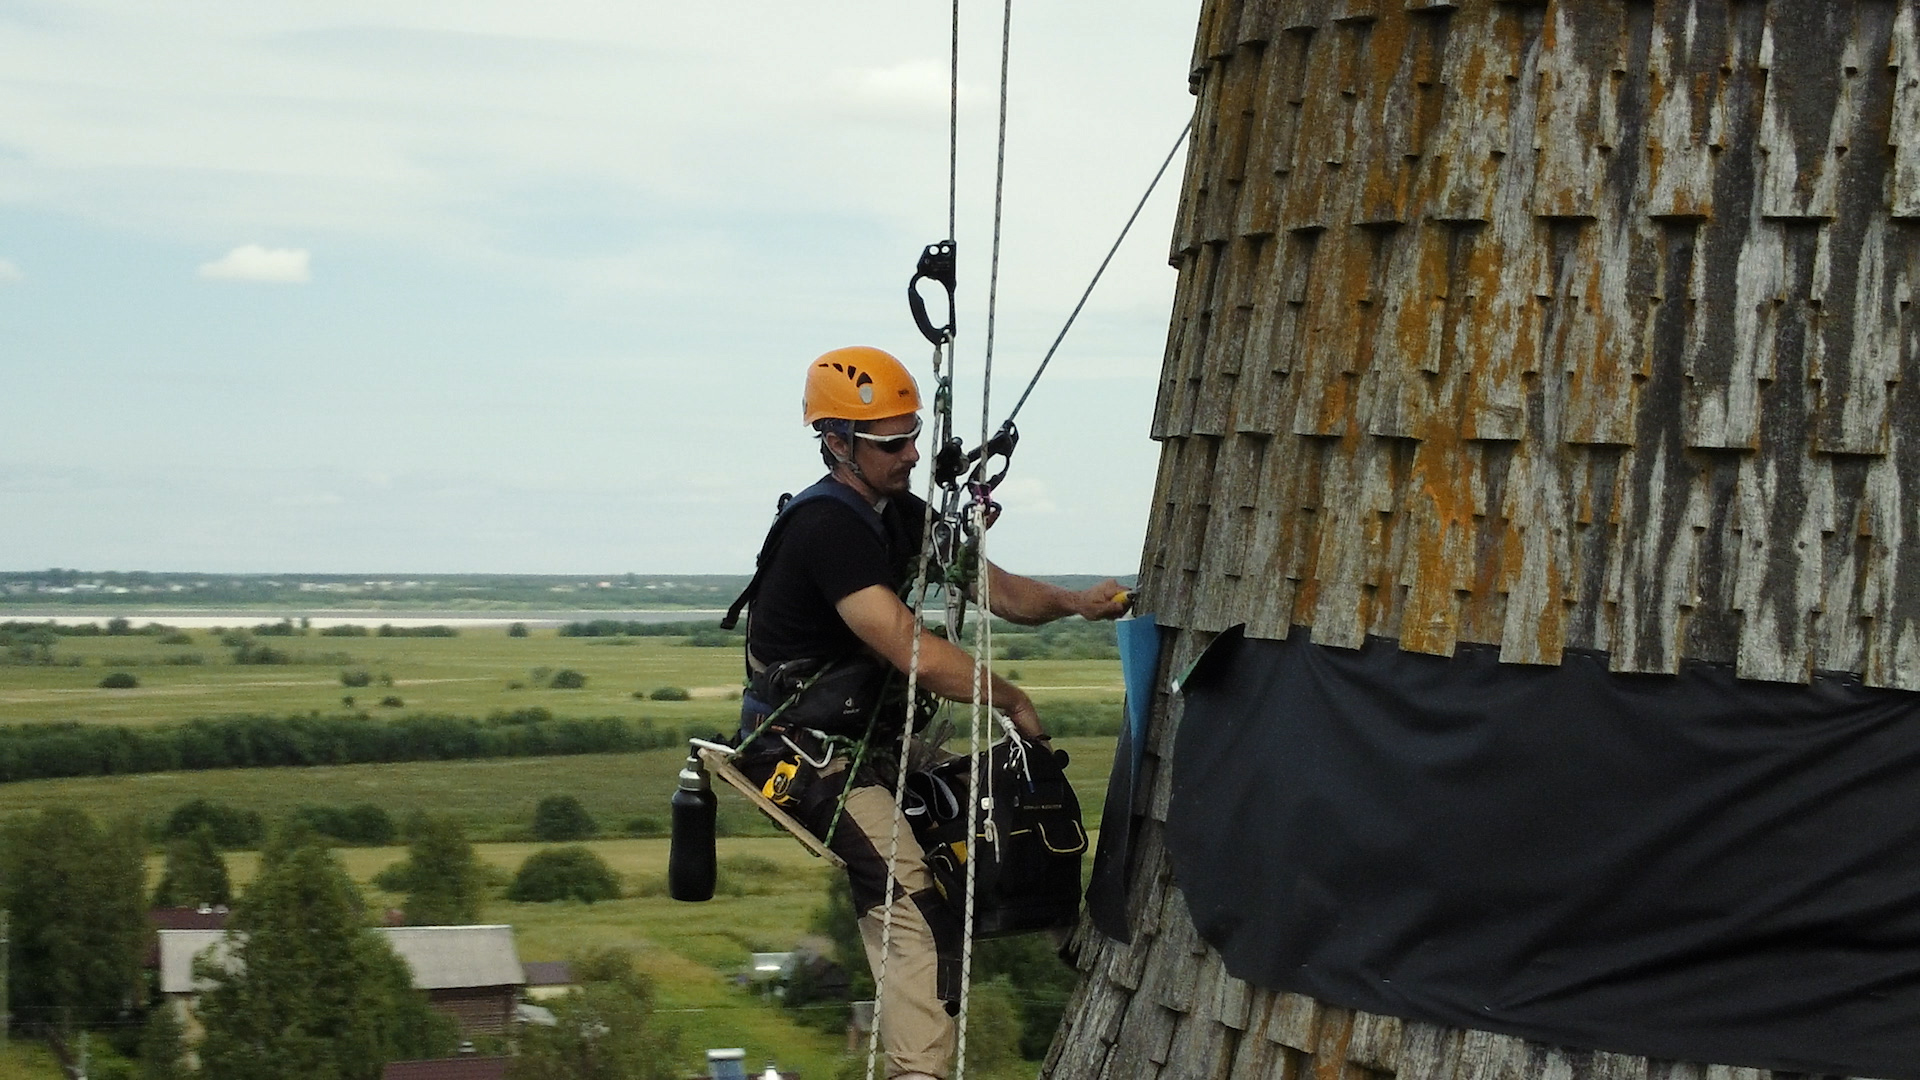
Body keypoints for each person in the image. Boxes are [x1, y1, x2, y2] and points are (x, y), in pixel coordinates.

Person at [730, 345, 1126, 1080]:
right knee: (906, 893)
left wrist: (1076, 604)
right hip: (802, 753)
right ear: (837, 443)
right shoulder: (828, 530)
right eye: (893, 444)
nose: (912, 453)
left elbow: (995, 588)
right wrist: (1011, 697)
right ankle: (920, 1072)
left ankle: (1070, 936)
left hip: (868, 741)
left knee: (1011, 803)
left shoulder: (897, 515)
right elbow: (910, 648)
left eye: (912, 436)